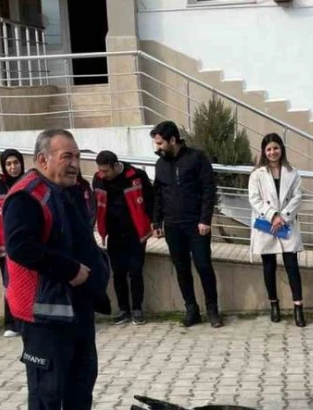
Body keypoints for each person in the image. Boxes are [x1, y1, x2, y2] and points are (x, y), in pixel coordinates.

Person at [3, 128, 116, 410]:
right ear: (42, 160)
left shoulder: (70, 190)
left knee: (82, 372)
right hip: (44, 308)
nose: (74, 164)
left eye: (77, 156)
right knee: (47, 382)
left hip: (77, 302)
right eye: (66, 156)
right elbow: (22, 247)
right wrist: (70, 269)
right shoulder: (26, 195)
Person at [149, 121, 223, 328]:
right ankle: (191, 310)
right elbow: (158, 194)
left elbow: (209, 189)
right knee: (181, 269)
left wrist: (205, 219)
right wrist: (156, 221)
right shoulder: (160, 164)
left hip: (196, 225)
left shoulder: (196, 158)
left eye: (160, 143)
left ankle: (212, 310)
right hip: (172, 226)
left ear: (173, 139)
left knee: (203, 266)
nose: (158, 147)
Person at [248, 133, 305, 327]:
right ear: (264, 151)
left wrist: (283, 216)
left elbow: (298, 197)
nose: (273, 152)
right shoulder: (257, 175)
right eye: (269, 149)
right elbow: (254, 199)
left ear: (282, 149)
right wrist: (273, 215)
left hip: (286, 224)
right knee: (269, 266)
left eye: (276, 148)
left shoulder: (292, 172)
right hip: (267, 224)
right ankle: (274, 304)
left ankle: (298, 307)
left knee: (292, 265)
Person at [93, 150, 155, 325]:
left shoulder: (136, 175)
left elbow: (151, 199)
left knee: (135, 272)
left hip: (135, 232)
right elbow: (95, 203)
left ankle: (137, 309)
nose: (103, 174)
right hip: (114, 233)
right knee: (118, 273)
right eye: (100, 171)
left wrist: (154, 222)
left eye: (106, 171)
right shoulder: (98, 179)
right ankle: (123, 310)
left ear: (115, 165)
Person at [0, 148, 25, 338]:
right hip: (4, 244)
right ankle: (10, 323)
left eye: (16, 163)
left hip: (25, 243)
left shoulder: (28, 183)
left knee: (24, 283)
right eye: (9, 164)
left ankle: (24, 321)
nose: (13, 167)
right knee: (8, 283)